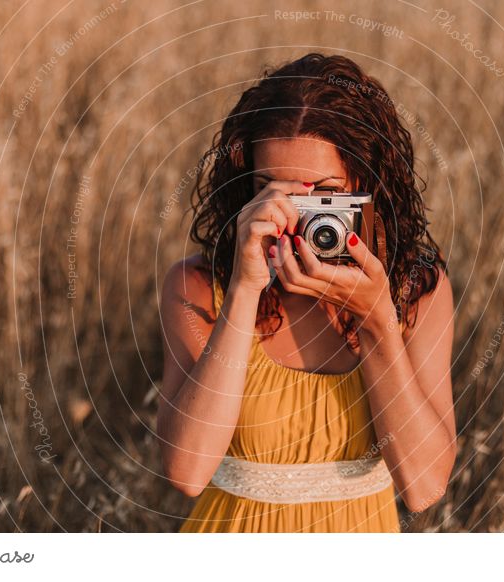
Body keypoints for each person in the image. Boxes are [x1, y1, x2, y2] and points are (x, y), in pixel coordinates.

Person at [157, 52, 456, 532]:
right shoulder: (197, 286)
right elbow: (187, 472)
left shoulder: (415, 291)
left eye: (322, 193)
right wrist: (243, 290)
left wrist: (378, 321)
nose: (295, 214)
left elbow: (423, 487)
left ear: (368, 184)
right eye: (271, 188)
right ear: (245, 186)